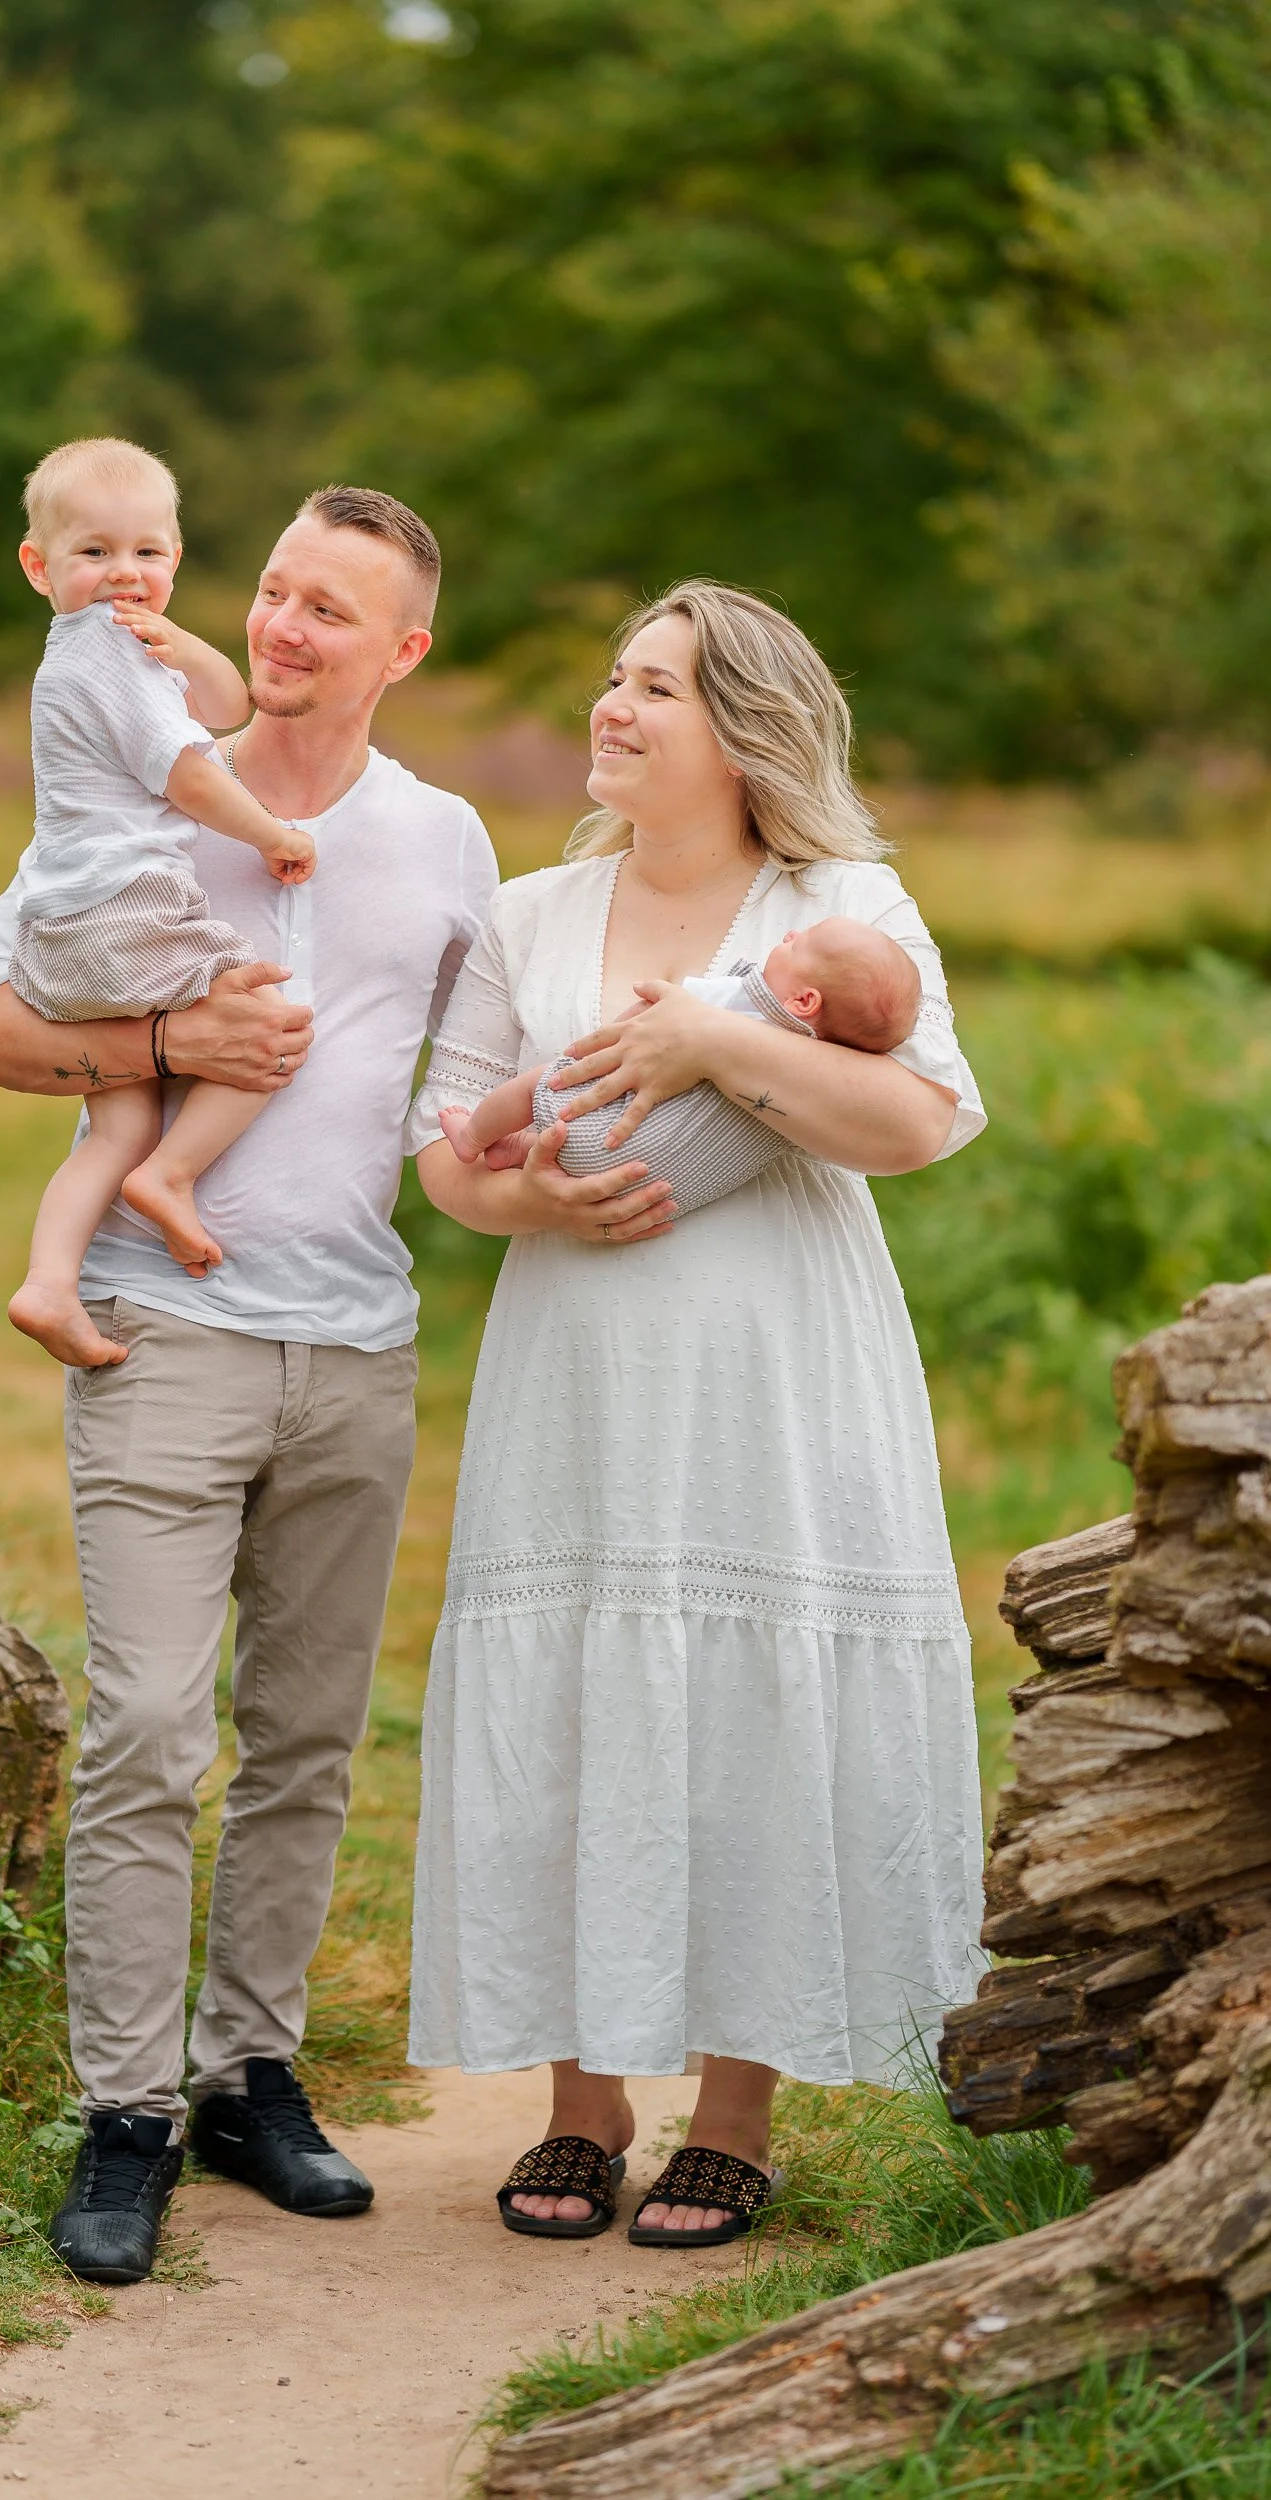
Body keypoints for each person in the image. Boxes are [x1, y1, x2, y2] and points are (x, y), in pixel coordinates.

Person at [0, 487, 498, 2283]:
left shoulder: (445, 840)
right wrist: (171, 1039)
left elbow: (466, 1088)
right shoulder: (139, 776)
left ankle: (249, 2075)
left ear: (403, 650)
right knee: (154, 1729)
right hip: (159, 1328)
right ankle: (124, 2116)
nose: (284, 627)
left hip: (357, 1344)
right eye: (276, 591)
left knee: (307, 1740)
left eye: (333, 610)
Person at [407, 579, 987, 2249]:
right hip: (578, 1360)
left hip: (772, 1361)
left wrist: (710, 1052)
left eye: (653, 686)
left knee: (752, 1714)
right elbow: (447, 1153)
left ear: (741, 732)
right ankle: (579, 2108)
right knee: (578, 1698)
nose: (612, 706)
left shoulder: (841, 901)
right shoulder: (530, 913)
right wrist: (531, 1204)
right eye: (613, 678)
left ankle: (733, 2120)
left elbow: (915, 1121)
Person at [5, 437, 317, 1367]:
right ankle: (171, 1180)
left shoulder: (104, 652)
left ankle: (48, 1282)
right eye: (94, 552)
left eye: (146, 551)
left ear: (175, 557)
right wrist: (270, 833)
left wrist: (179, 644)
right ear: (39, 567)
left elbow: (226, 705)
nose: (123, 573)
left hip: (63, 933)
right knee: (268, 1025)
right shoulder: (106, 653)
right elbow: (190, 770)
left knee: (119, 1126)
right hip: (124, 908)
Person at [439, 915, 919, 1220]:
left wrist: (608, 1041)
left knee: (540, 1086)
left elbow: (653, 1015)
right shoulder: (818, 1067)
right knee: (575, 1132)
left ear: (804, 1000)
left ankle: (475, 1136)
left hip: (601, 1140)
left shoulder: (740, 1000)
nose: (790, 934)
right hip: (648, 1180)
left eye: (799, 945)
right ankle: (519, 1147)